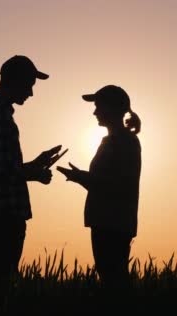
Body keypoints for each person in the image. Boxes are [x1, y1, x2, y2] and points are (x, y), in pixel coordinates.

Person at [0, 55, 62, 301]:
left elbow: (2, 167)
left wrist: (34, 164)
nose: (31, 93)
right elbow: (3, 174)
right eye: (29, 85)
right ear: (16, 81)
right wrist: (36, 173)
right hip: (5, 214)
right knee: (1, 284)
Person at [57, 85, 142, 290]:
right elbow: (108, 182)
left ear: (112, 108)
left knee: (114, 281)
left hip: (113, 222)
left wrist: (81, 178)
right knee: (111, 278)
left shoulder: (124, 141)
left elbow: (118, 185)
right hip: (108, 221)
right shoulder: (115, 140)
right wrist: (82, 177)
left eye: (98, 106)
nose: (95, 112)